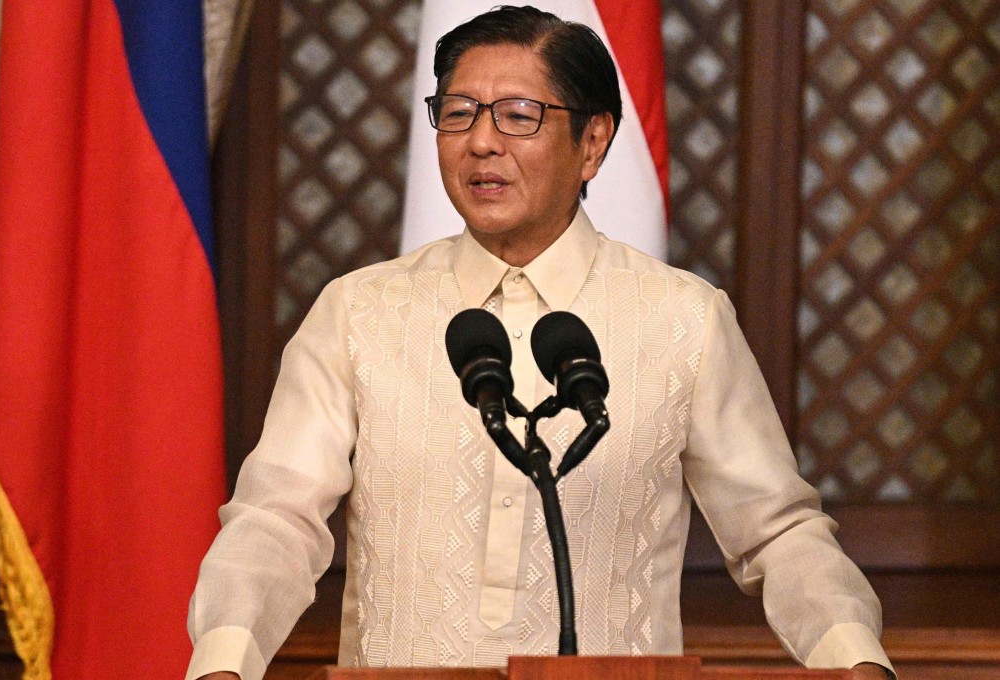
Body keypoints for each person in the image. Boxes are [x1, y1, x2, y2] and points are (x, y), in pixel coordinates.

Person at [187, 7, 894, 680]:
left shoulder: (684, 318)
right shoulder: (360, 312)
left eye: (518, 116)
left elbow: (776, 531)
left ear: (592, 142)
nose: (481, 141)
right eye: (457, 113)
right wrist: (226, 656)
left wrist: (850, 652)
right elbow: (277, 519)